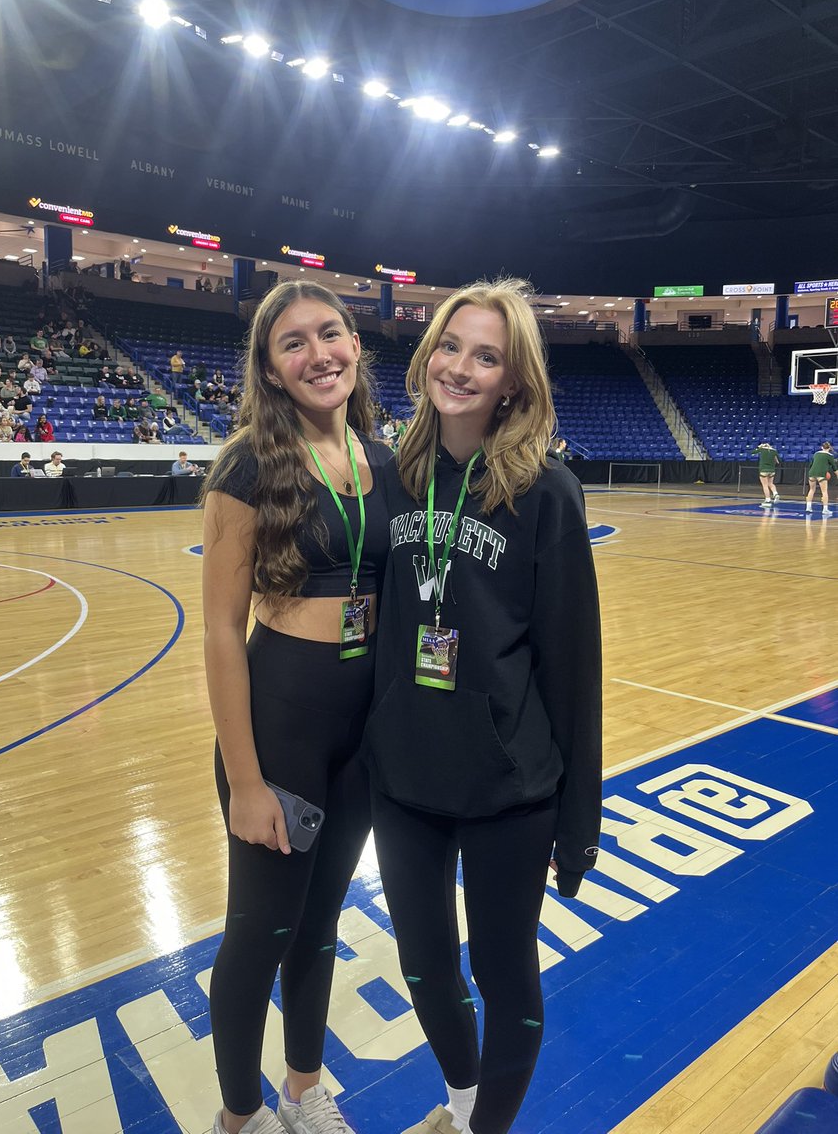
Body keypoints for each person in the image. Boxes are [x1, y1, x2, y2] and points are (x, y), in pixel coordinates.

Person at [363, 279, 603, 1134]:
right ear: (428, 353)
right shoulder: (391, 478)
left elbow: (575, 667)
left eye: (487, 356)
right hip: (404, 779)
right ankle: (463, 1101)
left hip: (510, 788)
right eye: (450, 346)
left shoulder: (547, 493)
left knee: (505, 975)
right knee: (424, 967)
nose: (461, 367)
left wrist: (581, 821)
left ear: (514, 382)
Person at [200, 281, 392, 1134]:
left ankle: (303, 1092)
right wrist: (246, 780)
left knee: (320, 927)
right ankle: (240, 1119)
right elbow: (217, 631)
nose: (319, 354)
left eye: (332, 333)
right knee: (259, 935)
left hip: (358, 738)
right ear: (271, 370)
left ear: (355, 345)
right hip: (279, 733)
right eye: (293, 343)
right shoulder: (248, 462)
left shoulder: (385, 458)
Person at [805, 440, 837, 517]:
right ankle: (825, 509)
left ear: (821, 447)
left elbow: (811, 464)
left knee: (811, 490)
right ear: (829, 448)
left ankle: (808, 507)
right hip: (821, 474)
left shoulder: (816, 454)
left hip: (811, 473)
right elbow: (835, 468)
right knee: (824, 492)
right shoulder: (830, 456)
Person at [750, 441, 780, 507]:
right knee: (771, 484)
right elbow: (779, 461)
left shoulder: (762, 449)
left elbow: (752, 452)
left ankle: (768, 499)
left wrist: (758, 447)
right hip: (772, 470)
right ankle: (775, 494)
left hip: (763, 470)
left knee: (765, 485)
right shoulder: (774, 451)